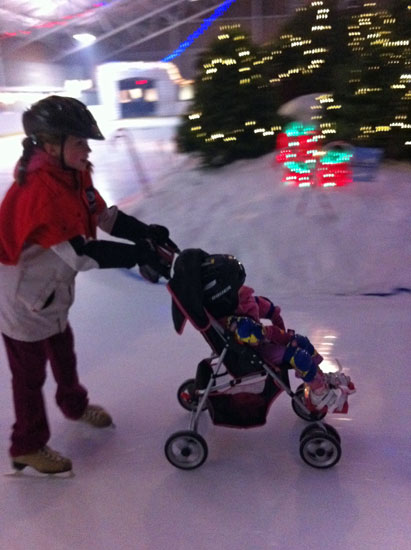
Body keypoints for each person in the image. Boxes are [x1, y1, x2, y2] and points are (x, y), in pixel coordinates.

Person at [0, 96, 172, 475]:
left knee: (64, 350)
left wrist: (144, 234)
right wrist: (137, 256)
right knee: (29, 374)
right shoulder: (40, 191)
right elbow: (81, 254)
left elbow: (101, 214)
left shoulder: (73, 174)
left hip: (49, 289)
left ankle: (74, 406)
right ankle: (26, 444)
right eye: (79, 141)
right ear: (50, 144)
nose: (87, 148)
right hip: (21, 295)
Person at [200, 254, 355, 414]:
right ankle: (318, 394)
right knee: (298, 356)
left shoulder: (240, 300)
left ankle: (319, 377)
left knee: (301, 341)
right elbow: (253, 334)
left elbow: (259, 306)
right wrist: (275, 334)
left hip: (264, 342)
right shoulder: (230, 320)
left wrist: (276, 319)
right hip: (254, 352)